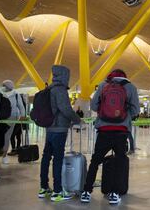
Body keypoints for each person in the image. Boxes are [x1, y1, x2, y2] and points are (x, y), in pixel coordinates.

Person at [81, 69, 139, 205]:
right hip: (121, 131)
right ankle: (114, 193)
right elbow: (136, 109)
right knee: (120, 162)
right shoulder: (130, 87)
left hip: (104, 130)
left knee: (95, 161)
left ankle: (87, 191)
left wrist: (105, 111)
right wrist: (124, 114)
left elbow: (94, 106)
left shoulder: (102, 85)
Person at [38, 65, 82, 202]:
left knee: (46, 157)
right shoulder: (60, 90)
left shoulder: (49, 88)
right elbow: (66, 109)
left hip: (50, 128)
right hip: (59, 128)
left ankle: (44, 188)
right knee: (58, 158)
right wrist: (77, 119)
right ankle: (57, 191)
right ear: (64, 76)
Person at [0, 80, 26, 163]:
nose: (3, 86)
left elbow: (21, 106)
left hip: (12, 117)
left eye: (4, 85)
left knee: (7, 136)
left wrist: (22, 116)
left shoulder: (16, 94)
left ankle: (4, 155)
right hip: (0, 118)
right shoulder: (0, 93)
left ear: (8, 86)